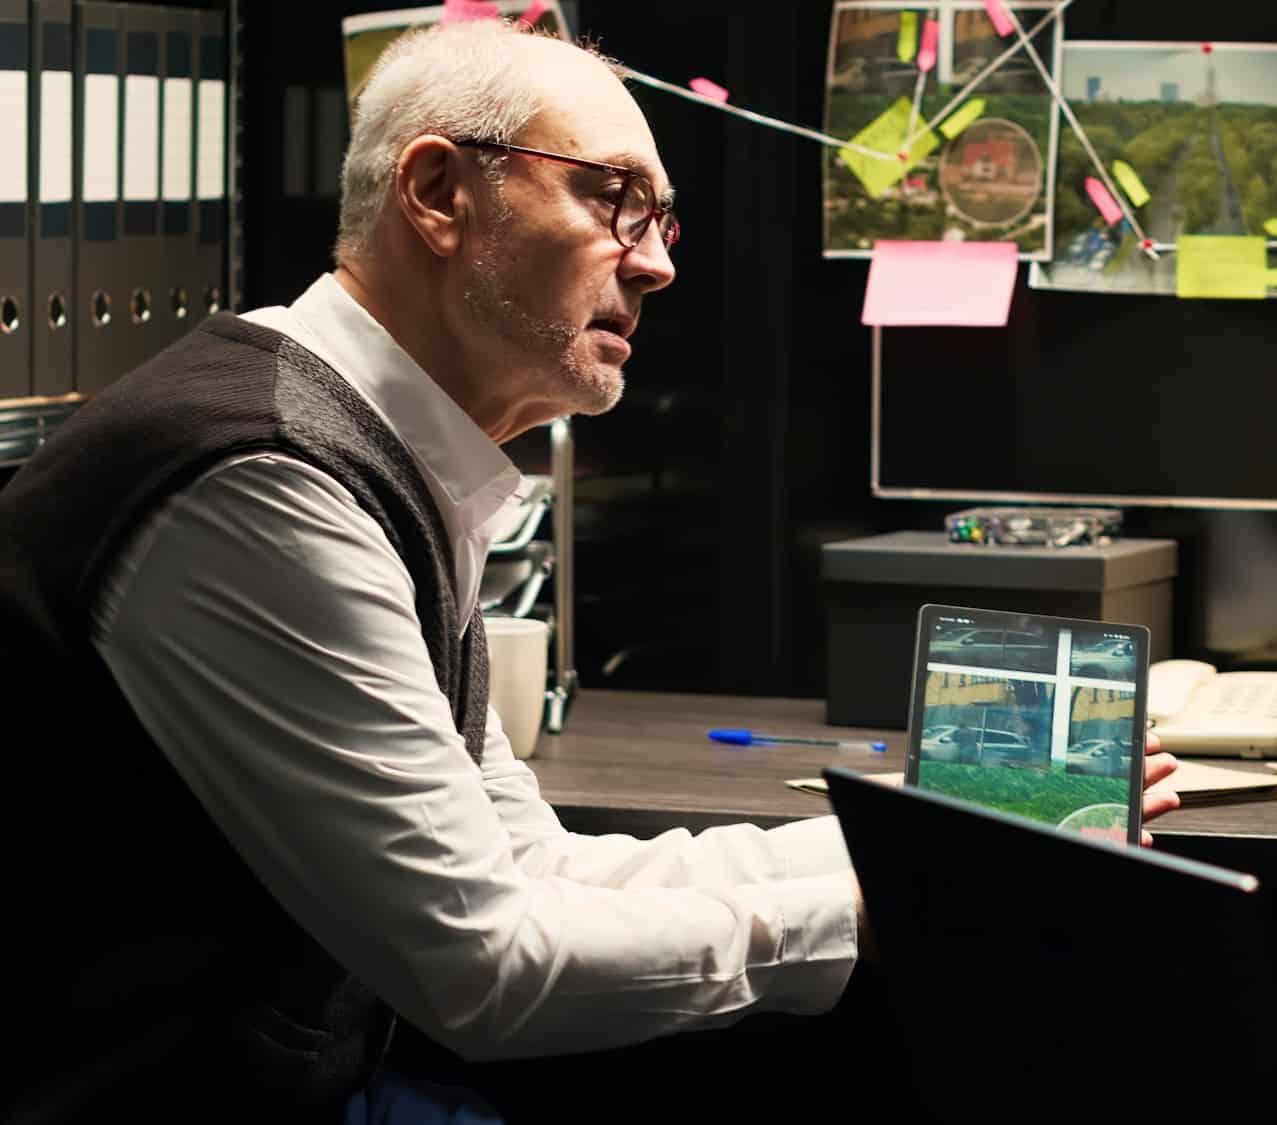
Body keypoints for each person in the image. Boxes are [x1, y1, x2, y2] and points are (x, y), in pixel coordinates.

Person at [0, 21, 1178, 1121]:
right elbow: (488, 967)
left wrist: (937, 838)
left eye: (662, 221)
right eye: (615, 200)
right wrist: (899, 907)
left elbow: (534, 867)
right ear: (438, 194)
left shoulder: (367, 447)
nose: (655, 264)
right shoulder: (266, 477)